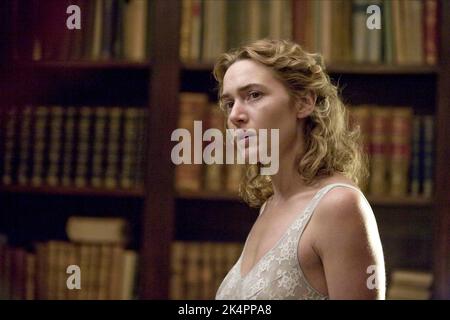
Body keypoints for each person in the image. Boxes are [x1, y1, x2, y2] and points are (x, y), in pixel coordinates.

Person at [213, 39, 385, 300]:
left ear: (304, 103)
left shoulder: (339, 205)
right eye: (229, 103)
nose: (235, 115)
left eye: (254, 95)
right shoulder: (269, 206)